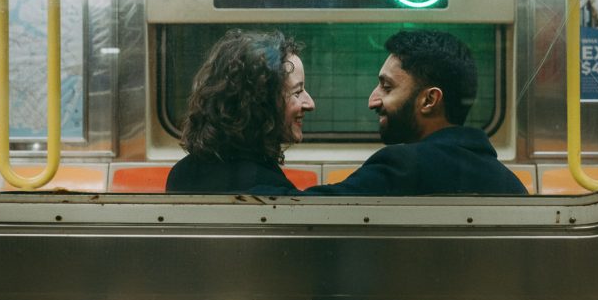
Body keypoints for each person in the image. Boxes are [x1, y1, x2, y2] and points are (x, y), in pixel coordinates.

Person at [253, 29, 526, 197]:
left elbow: (305, 211)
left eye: (386, 86)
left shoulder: (404, 167)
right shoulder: (509, 183)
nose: (373, 101)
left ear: (429, 100)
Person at [166, 28, 315, 193]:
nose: (310, 103)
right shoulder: (262, 185)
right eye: (297, 92)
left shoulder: (181, 172)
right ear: (262, 103)